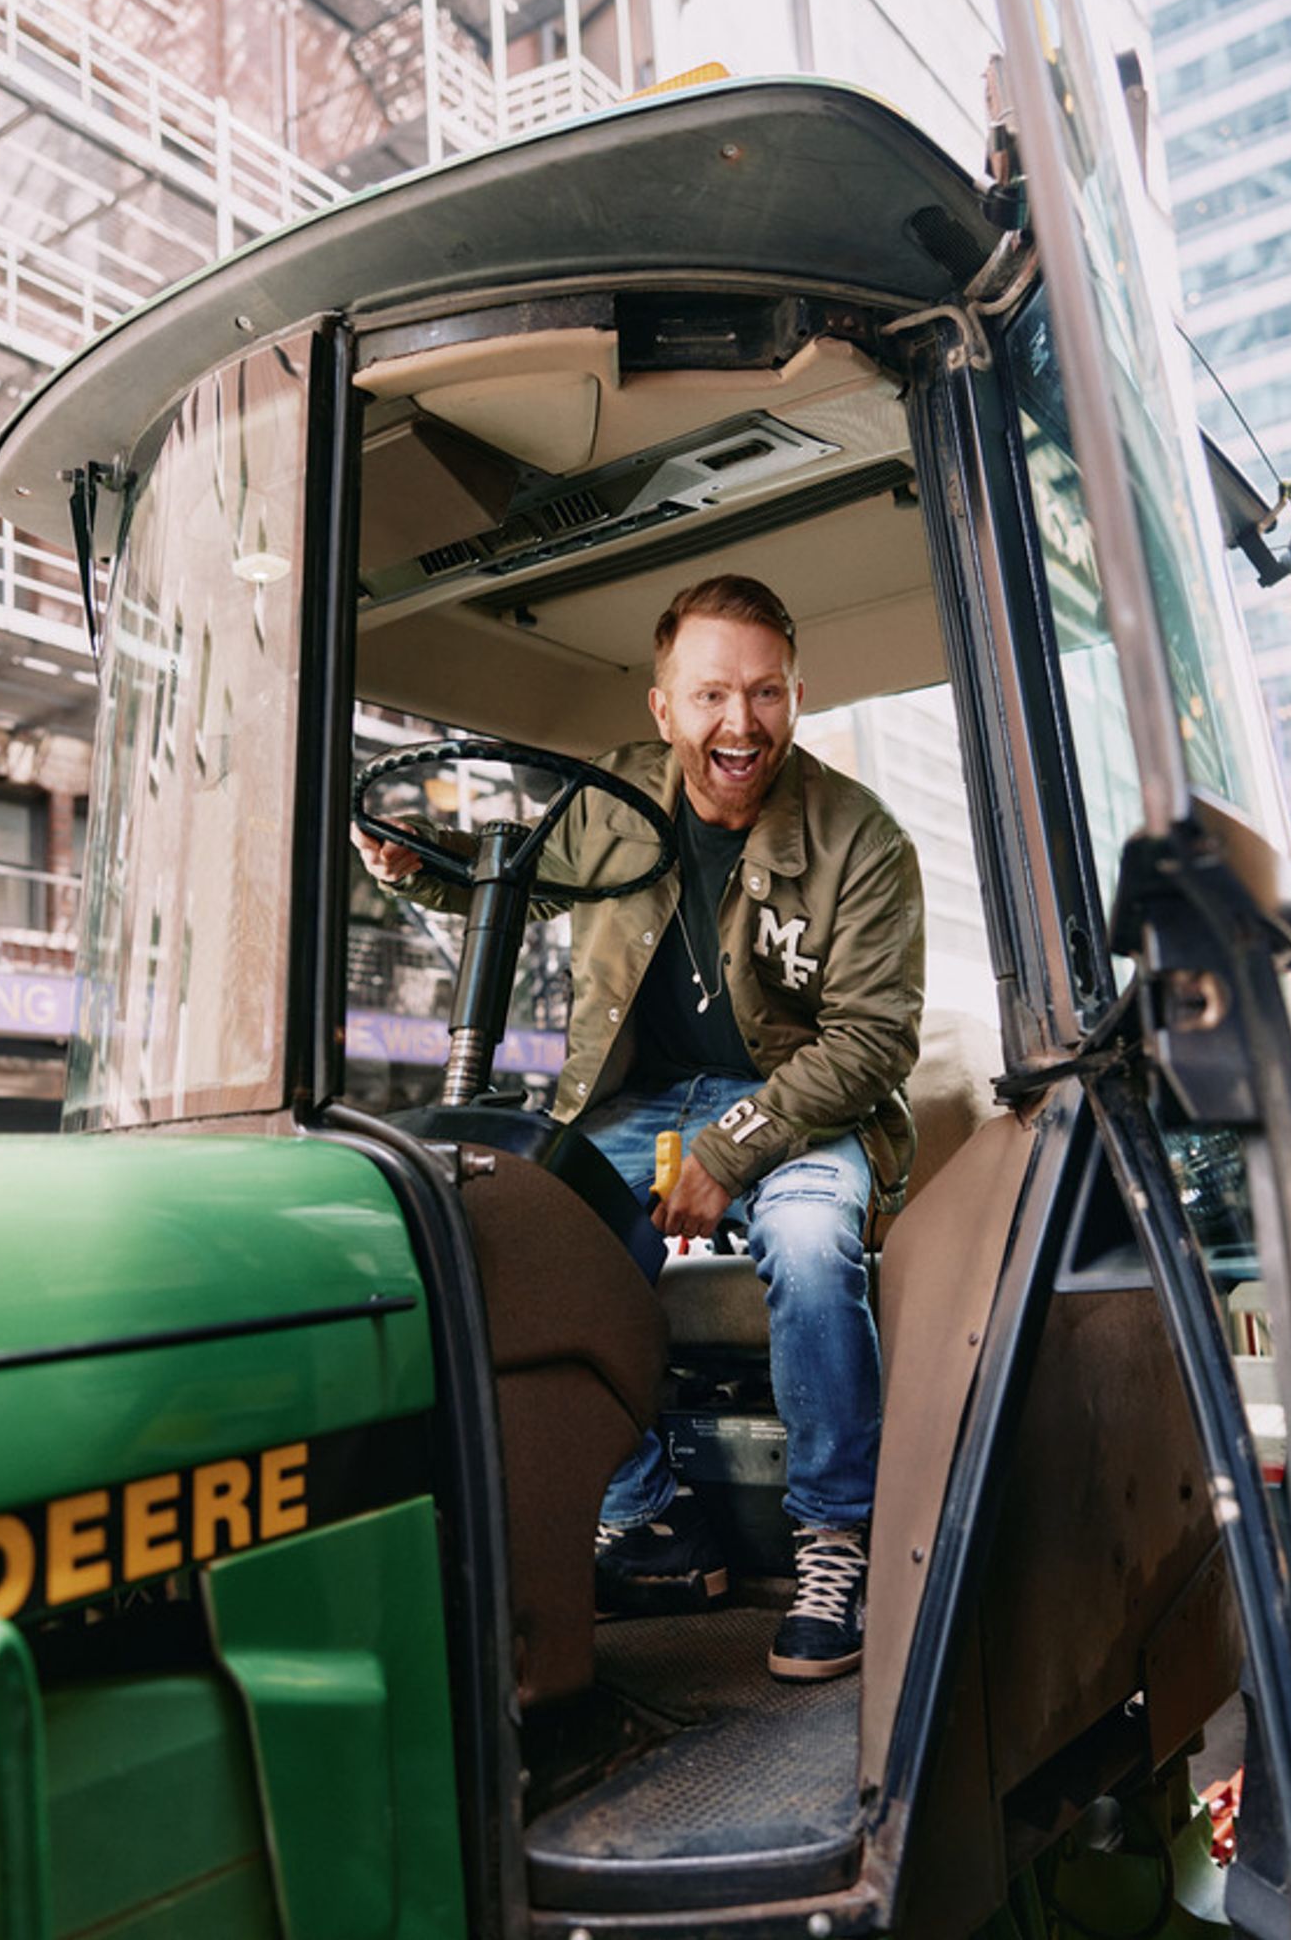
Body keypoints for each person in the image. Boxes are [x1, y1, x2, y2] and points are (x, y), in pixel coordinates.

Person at [353, 575, 924, 1681]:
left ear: (795, 697)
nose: (738, 724)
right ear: (663, 709)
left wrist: (726, 1153)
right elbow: (514, 878)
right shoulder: (611, 799)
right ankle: (649, 1521)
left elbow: (868, 1041)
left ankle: (834, 1541)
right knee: (501, 1240)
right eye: (710, 695)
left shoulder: (863, 840)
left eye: (763, 694)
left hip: (798, 1102)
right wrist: (425, 868)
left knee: (808, 1248)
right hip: (630, 1105)